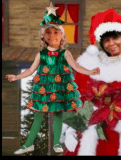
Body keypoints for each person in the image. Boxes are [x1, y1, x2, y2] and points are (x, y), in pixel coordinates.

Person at [6, 2, 100, 155]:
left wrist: (90, 71)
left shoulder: (65, 54)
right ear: (43, 36)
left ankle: (56, 143)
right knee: (38, 117)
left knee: (58, 117)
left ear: (62, 35)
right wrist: (17, 76)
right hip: (43, 89)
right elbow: (30, 69)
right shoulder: (40, 54)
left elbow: (76, 67)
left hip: (59, 90)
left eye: (55, 33)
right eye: (48, 33)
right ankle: (28, 144)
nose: (52, 36)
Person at [61, 8, 121, 156]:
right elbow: (76, 100)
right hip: (94, 134)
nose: (111, 43)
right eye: (106, 40)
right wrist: (71, 129)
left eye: (115, 37)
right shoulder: (88, 67)